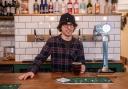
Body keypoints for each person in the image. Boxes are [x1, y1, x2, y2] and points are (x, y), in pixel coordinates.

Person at [18, 13, 86, 80]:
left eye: (71, 25)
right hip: (56, 79)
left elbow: (82, 62)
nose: (69, 28)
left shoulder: (78, 43)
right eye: (65, 25)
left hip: (72, 79)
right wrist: (31, 71)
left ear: (74, 27)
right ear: (60, 27)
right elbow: (41, 58)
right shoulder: (52, 41)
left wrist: (83, 67)